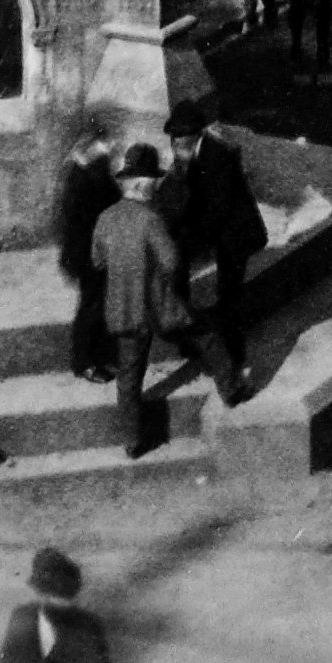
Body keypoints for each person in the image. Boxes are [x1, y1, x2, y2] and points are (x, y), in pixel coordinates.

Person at [94, 141, 221, 457]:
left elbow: (98, 260)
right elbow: (172, 261)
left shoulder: (106, 218)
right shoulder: (150, 220)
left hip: (123, 310)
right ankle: (232, 385)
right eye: (153, 179)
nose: (156, 184)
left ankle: (132, 441)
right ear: (140, 182)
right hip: (155, 306)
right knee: (204, 333)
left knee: (128, 376)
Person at [157, 104, 265, 383]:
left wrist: (192, 238)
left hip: (235, 236)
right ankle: (200, 347)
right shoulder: (194, 153)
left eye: (179, 140)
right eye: (174, 140)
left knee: (228, 298)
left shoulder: (217, 156)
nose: (175, 145)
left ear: (192, 137)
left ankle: (235, 360)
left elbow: (217, 209)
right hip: (219, 231)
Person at [56, 129, 121, 385]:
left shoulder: (87, 173)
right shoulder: (88, 178)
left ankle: (97, 357)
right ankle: (84, 362)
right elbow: (86, 222)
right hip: (88, 255)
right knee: (91, 306)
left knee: (97, 303)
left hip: (92, 252)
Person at [0, 547, 114, 663]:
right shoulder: (23, 619)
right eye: (51, 593)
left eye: (64, 595)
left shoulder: (89, 626)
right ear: (41, 592)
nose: (58, 601)